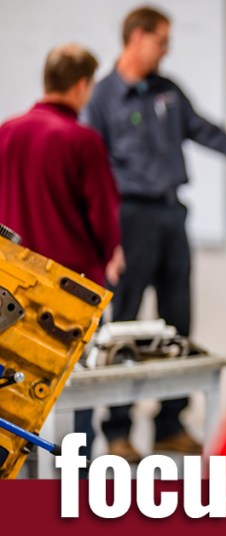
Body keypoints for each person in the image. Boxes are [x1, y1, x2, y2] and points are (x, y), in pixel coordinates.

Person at [82, 6, 226, 462]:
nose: (167, 49)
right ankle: (119, 430)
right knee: (123, 327)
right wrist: (108, 241)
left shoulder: (168, 91)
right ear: (138, 37)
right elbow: (92, 173)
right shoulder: (103, 99)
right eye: (162, 40)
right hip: (129, 219)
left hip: (171, 216)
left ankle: (169, 424)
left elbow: (208, 134)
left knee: (177, 322)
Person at [0, 44, 124, 457]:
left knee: (12, 392)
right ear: (81, 86)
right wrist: (112, 253)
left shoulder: (7, 131)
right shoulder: (82, 140)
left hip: (11, 288)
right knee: (77, 397)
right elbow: (104, 217)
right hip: (72, 294)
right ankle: (76, 483)